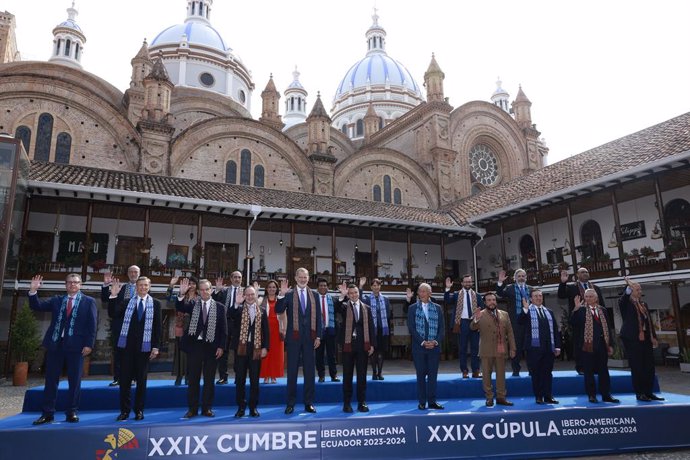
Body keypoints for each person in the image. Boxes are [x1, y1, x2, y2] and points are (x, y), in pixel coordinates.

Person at [28, 274, 97, 425]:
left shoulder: (88, 302)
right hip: (55, 345)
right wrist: (33, 291)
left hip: (77, 347)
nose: (72, 285)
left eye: (75, 282)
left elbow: (92, 326)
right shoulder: (57, 300)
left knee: (74, 380)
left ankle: (71, 412)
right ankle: (47, 413)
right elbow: (37, 306)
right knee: (51, 380)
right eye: (69, 282)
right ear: (65, 285)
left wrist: (89, 344)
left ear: (81, 285)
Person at [109, 276, 162, 421]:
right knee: (124, 381)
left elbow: (158, 327)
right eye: (140, 285)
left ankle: (139, 410)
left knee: (141, 381)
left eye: (146, 285)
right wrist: (113, 296)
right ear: (136, 287)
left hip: (144, 349)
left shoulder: (156, 304)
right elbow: (113, 314)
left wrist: (156, 347)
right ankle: (124, 411)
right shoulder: (126, 302)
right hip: (126, 349)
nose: (143, 288)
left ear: (149, 287)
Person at [176, 278, 226, 418]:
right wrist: (180, 294)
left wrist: (221, 346)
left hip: (212, 347)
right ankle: (192, 409)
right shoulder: (192, 304)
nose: (204, 292)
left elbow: (224, 330)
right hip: (194, 347)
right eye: (201, 289)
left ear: (211, 290)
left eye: (207, 289)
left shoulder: (220, 307)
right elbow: (180, 307)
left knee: (209, 380)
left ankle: (207, 408)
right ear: (198, 291)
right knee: (193, 380)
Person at [276, 267, 322, 414]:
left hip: (310, 338)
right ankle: (290, 403)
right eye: (300, 277)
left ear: (308, 278)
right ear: (295, 278)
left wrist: (319, 336)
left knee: (309, 372)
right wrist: (281, 295)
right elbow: (278, 309)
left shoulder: (314, 295)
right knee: (292, 372)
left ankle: (309, 403)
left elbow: (319, 318)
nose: (303, 279)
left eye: (305, 277)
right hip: (294, 338)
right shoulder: (288, 295)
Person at [570, 288, 619, 404]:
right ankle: (591, 395)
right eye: (586, 297)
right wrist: (575, 309)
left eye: (591, 296)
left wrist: (610, 344)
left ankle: (606, 394)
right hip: (587, 346)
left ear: (596, 298)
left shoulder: (603, 310)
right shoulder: (581, 310)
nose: (588, 298)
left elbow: (608, 327)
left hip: (602, 345)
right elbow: (572, 323)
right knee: (588, 372)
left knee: (604, 371)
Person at [619, 277, 664, 402]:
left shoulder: (644, 304)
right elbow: (623, 299)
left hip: (645, 338)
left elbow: (649, 322)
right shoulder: (626, 304)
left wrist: (653, 337)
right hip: (632, 339)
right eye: (637, 289)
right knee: (637, 366)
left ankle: (649, 392)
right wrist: (629, 287)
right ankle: (640, 393)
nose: (640, 291)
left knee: (649, 366)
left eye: (640, 289)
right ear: (631, 291)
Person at [228, 286, 269, 417]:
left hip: (255, 349)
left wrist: (265, 347)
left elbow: (266, 332)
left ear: (256, 295)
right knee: (240, 379)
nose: (250, 297)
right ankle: (241, 407)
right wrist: (236, 303)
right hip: (241, 349)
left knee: (254, 380)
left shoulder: (262, 311)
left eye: (252, 294)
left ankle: (253, 407)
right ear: (244, 296)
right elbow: (230, 315)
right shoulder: (238, 309)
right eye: (248, 295)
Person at [558, 268, 607, 374]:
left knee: (596, 345)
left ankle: (596, 366)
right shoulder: (572, 288)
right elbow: (561, 295)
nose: (585, 274)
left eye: (586, 272)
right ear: (577, 275)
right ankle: (581, 367)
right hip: (580, 322)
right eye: (582, 272)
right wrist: (563, 282)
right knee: (580, 345)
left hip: (596, 321)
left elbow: (602, 305)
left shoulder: (596, 288)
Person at [471, 292, 516, 407]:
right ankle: (489, 397)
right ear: (485, 302)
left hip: (501, 349)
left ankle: (501, 397)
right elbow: (472, 327)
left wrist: (513, 348)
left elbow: (510, 332)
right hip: (486, 350)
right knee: (486, 375)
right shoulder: (480, 314)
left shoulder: (504, 314)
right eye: (489, 300)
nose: (492, 302)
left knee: (501, 375)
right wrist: (476, 319)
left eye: (493, 300)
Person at [336, 282, 375, 412]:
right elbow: (337, 308)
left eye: (355, 292)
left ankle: (362, 402)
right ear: (348, 294)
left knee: (362, 375)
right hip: (348, 346)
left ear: (359, 293)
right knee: (347, 375)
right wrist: (341, 297)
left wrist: (372, 345)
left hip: (363, 346)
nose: (353, 295)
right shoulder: (344, 306)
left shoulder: (366, 308)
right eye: (351, 293)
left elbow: (371, 327)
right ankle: (347, 403)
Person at [518, 289, 561, 404]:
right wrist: (525, 309)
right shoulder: (527, 312)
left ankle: (548, 396)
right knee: (536, 373)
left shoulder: (549, 312)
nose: (538, 298)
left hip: (548, 348)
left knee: (547, 373)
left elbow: (555, 330)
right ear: (531, 298)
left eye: (540, 296)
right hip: (533, 349)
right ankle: (539, 396)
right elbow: (520, 321)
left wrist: (557, 346)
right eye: (535, 296)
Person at [407, 283, 445, 411]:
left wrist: (435, 341)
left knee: (433, 376)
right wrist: (423, 342)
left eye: (424, 291)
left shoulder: (438, 308)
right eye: (420, 291)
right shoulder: (412, 308)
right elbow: (411, 328)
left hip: (434, 348)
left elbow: (442, 329)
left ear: (430, 293)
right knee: (421, 375)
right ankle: (422, 402)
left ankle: (432, 401)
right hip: (419, 348)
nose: (422, 293)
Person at [101, 266, 140, 387]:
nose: (133, 274)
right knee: (119, 353)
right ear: (128, 274)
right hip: (120, 326)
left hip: (137, 328)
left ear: (139, 274)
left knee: (134, 354)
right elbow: (105, 299)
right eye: (131, 272)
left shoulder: (145, 288)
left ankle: (133, 378)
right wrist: (106, 285)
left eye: (135, 272)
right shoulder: (121, 288)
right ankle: (118, 378)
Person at [445, 274, 484, 379]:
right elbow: (447, 300)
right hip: (461, 323)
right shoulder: (457, 294)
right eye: (466, 282)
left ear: (472, 283)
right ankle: (464, 371)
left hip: (474, 322)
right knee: (462, 348)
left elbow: (482, 310)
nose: (468, 283)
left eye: (469, 282)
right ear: (462, 283)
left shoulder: (477, 295)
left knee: (475, 348)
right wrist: (448, 289)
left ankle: (476, 370)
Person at [496, 269, 529, 376]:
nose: (521, 278)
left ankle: (532, 369)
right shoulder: (510, 289)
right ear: (515, 278)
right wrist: (500, 283)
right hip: (515, 322)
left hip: (529, 322)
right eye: (519, 276)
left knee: (530, 347)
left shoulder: (531, 290)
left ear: (526, 277)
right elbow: (500, 294)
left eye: (523, 276)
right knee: (516, 346)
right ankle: (516, 370)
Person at [212, 271, 243, 385]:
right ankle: (223, 377)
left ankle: (238, 377)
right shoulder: (224, 291)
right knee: (223, 350)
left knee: (238, 352)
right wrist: (217, 291)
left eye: (239, 277)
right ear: (230, 279)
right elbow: (214, 301)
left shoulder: (245, 292)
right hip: (225, 323)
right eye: (234, 277)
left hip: (239, 325)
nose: (237, 279)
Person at [360, 277, 392, 380]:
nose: (376, 287)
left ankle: (380, 372)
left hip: (383, 329)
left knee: (381, 352)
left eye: (377, 285)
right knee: (373, 352)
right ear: (371, 287)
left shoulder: (385, 299)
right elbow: (359, 300)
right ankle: (374, 372)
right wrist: (360, 287)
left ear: (380, 286)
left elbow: (388, 313)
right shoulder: (367, 299)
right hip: (372, 330)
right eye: (374, 285)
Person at [168, 275, 197, 386]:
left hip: (194, 327)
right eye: (189, 283)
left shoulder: (199, 297)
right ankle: (179, 376)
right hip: (181, 326)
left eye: (193, 283)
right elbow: (168, 299)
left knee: (192, 353)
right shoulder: (180, 295)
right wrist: (171, 285)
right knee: (180, 352)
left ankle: (189, 376)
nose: (191, 286)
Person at [259, 280, 286, 384]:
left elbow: (284, 316)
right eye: (269, 287)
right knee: (266, 352)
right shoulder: (262, 300)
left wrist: (284, 329)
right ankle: (265, 376)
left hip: (277, 330)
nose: (271, 289)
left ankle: (274, 375)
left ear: (276, 289)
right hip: (265, 330)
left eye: (274, 287)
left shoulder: (280, 300)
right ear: (266, 289)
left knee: (276, 353)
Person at [316, 278, 341, 383]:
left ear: (327, 287)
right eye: (321, 285)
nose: (323, 287)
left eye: (325, 285)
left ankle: (333, 375)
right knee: (319, 355)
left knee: (332, 355)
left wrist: (343, 296)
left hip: (330, 331)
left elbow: (341, 308)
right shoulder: (314, 299)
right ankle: (321, 376)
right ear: (318, 287)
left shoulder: (334, 299)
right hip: (318, 332)